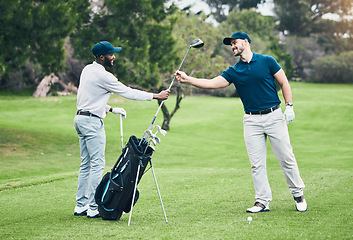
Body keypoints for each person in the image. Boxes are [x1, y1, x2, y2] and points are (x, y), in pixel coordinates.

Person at [175, 31, 307, 213]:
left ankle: (298, 194)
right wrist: (188, 79)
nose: (233, 46)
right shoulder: (234, 71)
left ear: (246, 42)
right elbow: (212, 83)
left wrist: (289, 105)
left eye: (235, 42)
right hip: (251, 120)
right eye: (231, 45)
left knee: (286, 158)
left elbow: (284, 83)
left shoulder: (267, 61)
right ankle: (262, 201)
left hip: (274, 116)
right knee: (256, 164)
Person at [74, 41, 170, 218]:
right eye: (111, 54)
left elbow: (90, 97)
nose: (114, 57)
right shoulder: (104, 76)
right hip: (92, 123)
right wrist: (155, 95)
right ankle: (94, 207)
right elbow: (128, 92)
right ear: (102, 57)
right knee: (97, 164)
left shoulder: (88, 69)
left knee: (86, 164)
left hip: (80, 119)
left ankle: (80, 206)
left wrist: (110, 109)